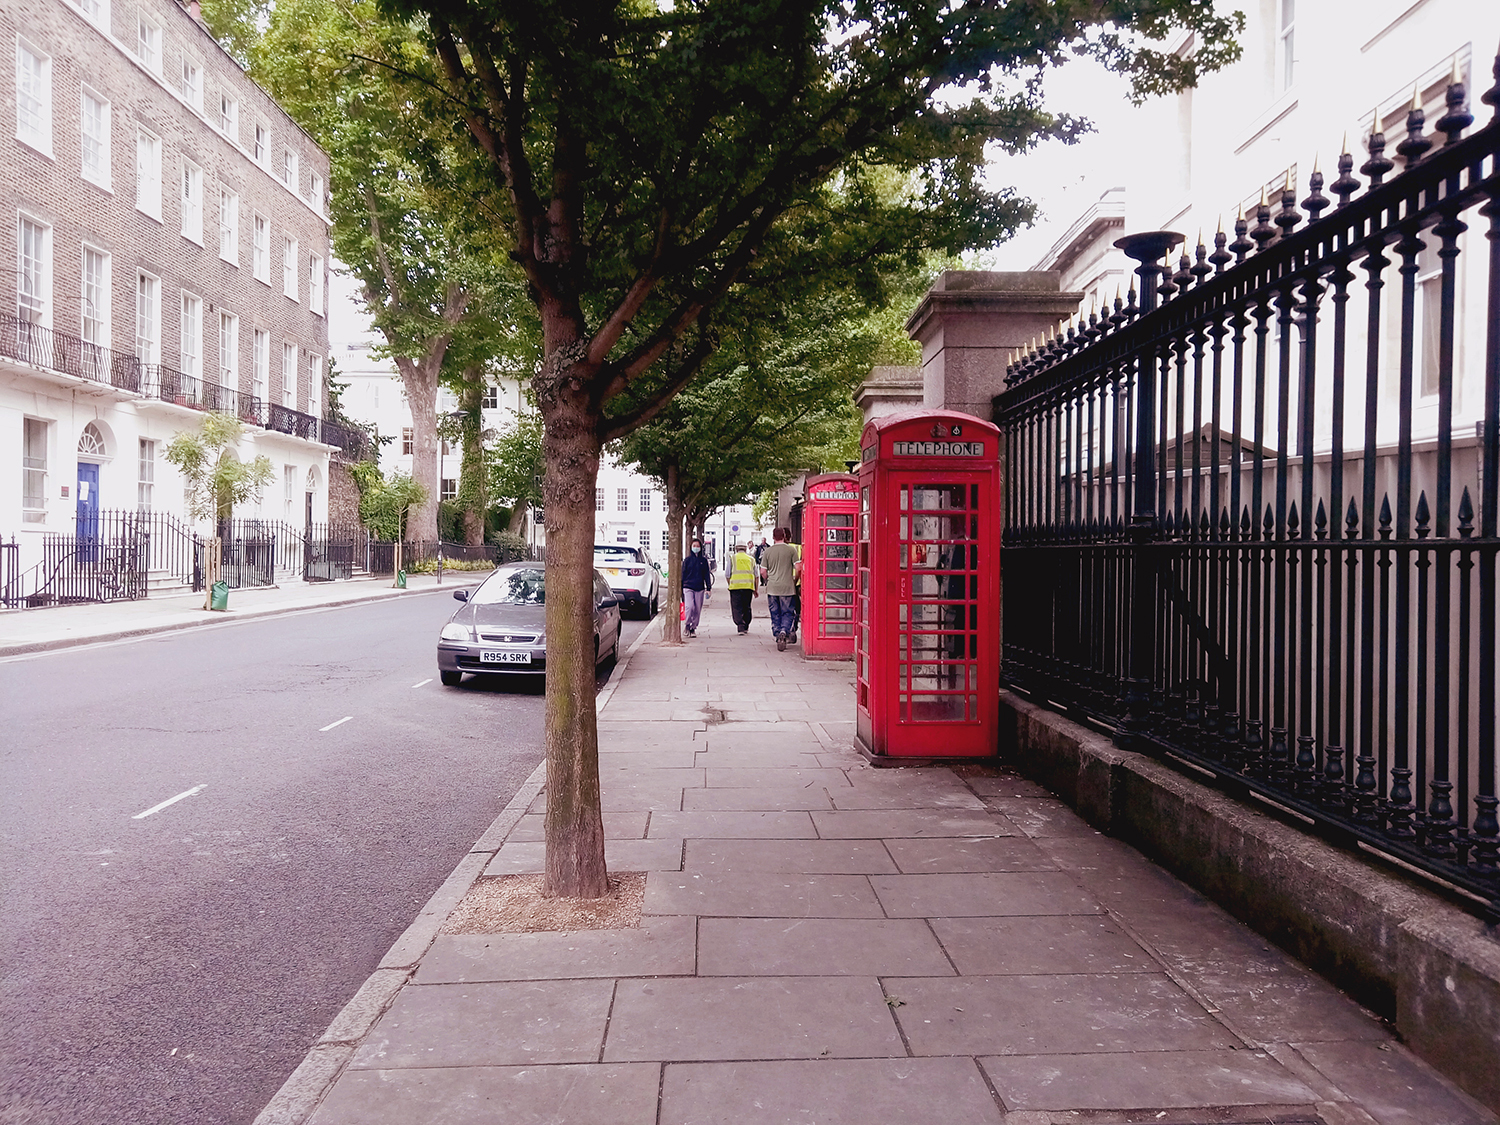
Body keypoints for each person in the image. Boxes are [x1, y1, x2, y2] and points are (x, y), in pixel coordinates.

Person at [761, 527, 802, 651]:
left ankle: (778, 632)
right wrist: (794, 580)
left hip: (773, 587)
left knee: (775, 613)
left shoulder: (768, 551)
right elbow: (798, 568)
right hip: (787, 587)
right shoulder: (791, 550)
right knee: (787, 612)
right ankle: (785, 631)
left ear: (773, 537)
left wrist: (769, 580)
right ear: (784, 536)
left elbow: (763, 571)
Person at [725, 541, 760, 634]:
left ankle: (740, 625)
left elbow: (727, 574)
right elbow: (756, 575)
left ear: (736, 549)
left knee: (736, 607)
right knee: (746, 606)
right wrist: (756, 589)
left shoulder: (732, 558)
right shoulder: (751, 559)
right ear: (745, 548)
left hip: (735, 587)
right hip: (748, 587)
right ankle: (746, 625)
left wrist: (730, 584)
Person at [680, 537, 712, 637]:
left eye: (698, 546)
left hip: (699, 588)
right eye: (694, 546)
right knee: (689, 607)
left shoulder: (703, 561)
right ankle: (687, 625)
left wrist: (708, 588)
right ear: (690, 547)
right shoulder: (687, 560)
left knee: (697, 609)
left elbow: (706, 575)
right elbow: (683, 575)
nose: (696, 548)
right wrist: (681, 590)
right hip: (688, 587)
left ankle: (693, 627)